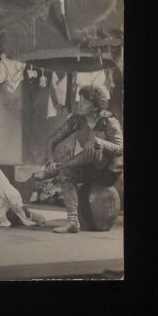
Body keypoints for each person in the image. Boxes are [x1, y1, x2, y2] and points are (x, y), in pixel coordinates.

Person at [33, 85, 123, 233]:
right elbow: (51, 142)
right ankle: (73, 221)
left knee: (94, 147)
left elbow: (120, 149)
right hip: (89, 166)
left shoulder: (109, 120)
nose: (79, 105)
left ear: (95, 106)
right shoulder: (77, 120)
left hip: (108, 170)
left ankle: (55, 170)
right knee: (66, 174)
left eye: (84, 102)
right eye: (79, 101)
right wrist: (49, 162)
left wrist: (100, 142)